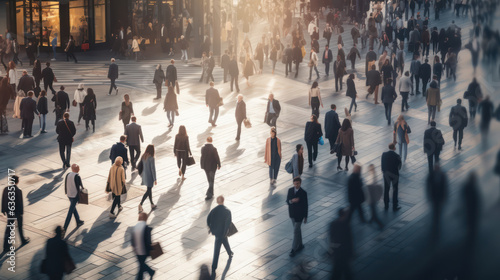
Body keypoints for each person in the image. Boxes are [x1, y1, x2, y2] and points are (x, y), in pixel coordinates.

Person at [207, 196, 234, 278]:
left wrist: (211, 228)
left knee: (222, 245)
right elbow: (228, 223)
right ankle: (214, 267)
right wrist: (225, 232)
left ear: (217, 202)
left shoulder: (214, 210)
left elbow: (208, 220)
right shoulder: (227, 211)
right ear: (223, 200)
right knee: (217, 249)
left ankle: (230, 253)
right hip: (223, 233)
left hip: (217, 233)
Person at [2, 175, 30, 253]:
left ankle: (6, 245)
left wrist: (3, 210)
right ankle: (23, 240)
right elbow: (20, 203)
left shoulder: (6, 189)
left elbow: (3, 199)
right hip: (17, 212)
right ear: (17, 181)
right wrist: (21, 212)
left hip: (9, 212)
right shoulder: (18, 190)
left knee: (9, 227)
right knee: (20, 227)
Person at [286, 178, 308, 257]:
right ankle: (300, 244)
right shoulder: (290, 190)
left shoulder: (303, 193)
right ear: (293, 183)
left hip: (299, 216)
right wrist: (292, 201)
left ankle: (293, 249)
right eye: (295, 184)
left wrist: (305, 216)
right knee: (297, 230)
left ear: (300, 183)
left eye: (298, 183)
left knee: (295, 231)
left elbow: (306, 205)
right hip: (292, 214)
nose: (296, 185)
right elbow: (287, 201)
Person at [329, 208, 353, 279]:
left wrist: (331, 250)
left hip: (336, 251)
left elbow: (331, 238)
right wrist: (351, 252)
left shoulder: (332, 224)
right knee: (344, 270)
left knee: (338, 270)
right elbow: (349, 240)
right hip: (343, 251)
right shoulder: (346, 225)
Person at [426, 164, 448, 239]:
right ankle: (436, 220)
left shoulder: (442, 176)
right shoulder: (431, 175)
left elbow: (445, 187)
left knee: (438, 210)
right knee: (436, 209)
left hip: (440, 197)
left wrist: (445, 196)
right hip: (434, 197)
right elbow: (428, 186)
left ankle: (436, 220)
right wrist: (429, 196)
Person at [131, 213, 156, 279]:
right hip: (143, 251)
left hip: (137, 250)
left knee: (141, 265)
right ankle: (151, 272)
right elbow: (148, 241)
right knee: (142, 265)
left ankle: (150, 272)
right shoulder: (146, 228)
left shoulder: (136, 227)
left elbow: (132, 239)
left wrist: (134, 247)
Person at [63, 164, 85, 235]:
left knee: (73, 208)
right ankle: (64, 229)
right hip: (74, 195)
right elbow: (80, 187)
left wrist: (66, 192)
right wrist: (79, 198)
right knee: (70, 212)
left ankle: (78, 220)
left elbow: (66, 184)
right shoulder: (77, 176)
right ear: (78, 169)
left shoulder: (68, 174)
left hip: (69, 194)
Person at [381, 143, 402, 211]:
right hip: (395, 175)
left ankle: (386, 205)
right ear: (394, 148)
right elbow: (399, 166)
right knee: (395, 189)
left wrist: (384, 171)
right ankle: (394, 206)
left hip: (386, 174)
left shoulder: (384, 154)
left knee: (386, 189)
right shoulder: (397, 156)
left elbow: (382, 165)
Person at [138, 145, 157, 213]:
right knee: (148, 191)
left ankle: (152, 204)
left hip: (144, 176)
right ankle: (140, 204)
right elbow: (153, 169)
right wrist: (155, 179)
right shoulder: (151, 158)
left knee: (149, 190)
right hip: (150, 177)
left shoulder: (144, 156)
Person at [366, 164, 384, 229]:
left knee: (373, 210)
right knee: (372, 209)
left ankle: (380, 224)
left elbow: (370, 186)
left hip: (371, 197)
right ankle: (372, 219)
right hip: (373, 196)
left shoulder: (371, 176)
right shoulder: (374, 174)